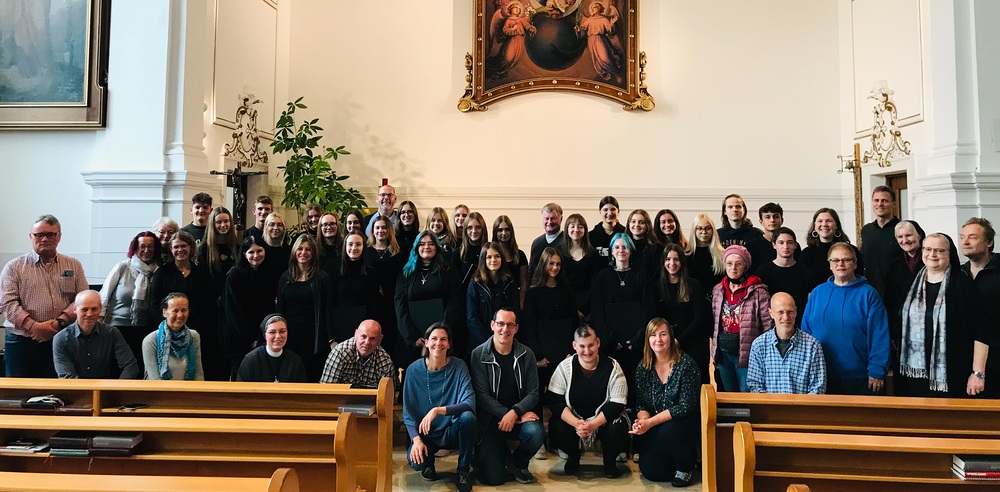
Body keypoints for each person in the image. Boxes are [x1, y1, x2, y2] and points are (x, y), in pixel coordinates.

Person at [896, 233, 990, 398]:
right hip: (915, 374)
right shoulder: (912, 283)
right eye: (928, 249)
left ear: (949, 254)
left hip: (954, 374)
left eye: (939, 250)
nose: (932, 254)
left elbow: (982, 332)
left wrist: (977, 373)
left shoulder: (963, 284)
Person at [2, 215, 88, 378]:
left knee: (60, 394)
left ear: (59, 237)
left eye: (51, 234)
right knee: (19, 395)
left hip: (62, 338)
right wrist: (34, 326)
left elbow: (82, 298)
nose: (45, 239)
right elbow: (7, 303)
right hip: (22, 342)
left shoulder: (73, 265)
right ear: (31, 237)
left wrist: (59, 323)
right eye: (39, 234)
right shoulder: (14, 267)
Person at [801, 242, 889, 395]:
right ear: (829, 265)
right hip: (822, 375)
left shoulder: (868, 294)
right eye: (835, 260)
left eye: (846, 260)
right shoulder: (817, 293)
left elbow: (879, 335)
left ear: (854, 264)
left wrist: (877, 369)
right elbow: (806, 332)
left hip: (860, 376)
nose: (840, 264)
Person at [469, 308, 543, 485]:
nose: (505, 329)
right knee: (494, 479)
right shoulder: (478, 355)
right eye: (501, 324)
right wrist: (508, 414)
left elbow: (533, 393)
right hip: (489, 421)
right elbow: (482, 396)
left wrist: (515, 412)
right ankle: (487, 457)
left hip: (518, 417)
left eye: (510, 325)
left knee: (535, 432)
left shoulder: (527, 354)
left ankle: (518, 463)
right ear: (492, 325)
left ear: (516, 329)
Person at [547, 325, 629, 478]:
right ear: (574, 346)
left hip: (602, 423)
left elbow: (617, 404)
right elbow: (556, 402)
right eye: (582, 346)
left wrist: (592, 425)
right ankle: (573, 457)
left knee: (618, 427)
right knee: (557, 426)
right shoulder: (564, 368)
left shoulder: (613, 366)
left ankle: (610, 462)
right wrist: (577, 423)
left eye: (591, 345)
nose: (587, 351)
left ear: (598, 342)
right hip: (574, 422)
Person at [403, 323, 476, 492]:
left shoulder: (459, 366)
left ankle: (463, 470)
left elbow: (469, 404)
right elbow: (408, 413)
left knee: (468, 418)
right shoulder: (413, 371)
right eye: (434, 339)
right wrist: (416, 440)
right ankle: (428, 463)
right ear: (426, 342)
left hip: (451, 430)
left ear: (449, 344)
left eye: (443, 339)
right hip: (426, 433)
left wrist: (437, 410)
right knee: (416, 462)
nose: (438, 343)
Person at [630, 318, 701, 487]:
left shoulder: (686, 364)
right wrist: (643, 421)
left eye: (663, 334)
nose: (658, 339)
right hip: (656, 425)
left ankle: (687, 463)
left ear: (671, 337)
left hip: (683, 423)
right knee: (652, 472)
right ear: (648, 340)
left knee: (667, 433)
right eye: (653, 335)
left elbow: (685, 406)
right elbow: (640, 404)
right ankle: (673, 460)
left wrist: (651, 422)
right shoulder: (643, 367)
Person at [590, 233, 654, 403]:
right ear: (611, 251)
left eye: (625, 246)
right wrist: (611, 340)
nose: (621, 250)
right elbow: (597, 313)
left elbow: (648, 311)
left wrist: (634, 340)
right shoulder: (602, 277)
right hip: (610, 346)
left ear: (631, 251)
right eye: (617, 247)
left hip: (635, 347)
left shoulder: (641, 277)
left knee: (636, 388)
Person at [521, 247, 576, 442]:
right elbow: (529, 326)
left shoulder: (567, 291)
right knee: (536, 395)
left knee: (562, 397)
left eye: (558, 264)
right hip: (541, 357)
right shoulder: (533, 293)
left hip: (564, 356)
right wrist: (537, 355)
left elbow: (573, 323)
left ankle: (560, 439)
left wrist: (571, 352)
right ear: (543, 265)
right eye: (551, 263)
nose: (554, 267)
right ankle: (539, 440)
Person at [395, 231, 463, 369]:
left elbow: (455, 302)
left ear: (437, 247)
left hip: (441, 339)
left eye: (431, 244)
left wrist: (441, 334)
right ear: (416, 247)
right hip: (414, 339)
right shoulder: (406, 273)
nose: (427, 247)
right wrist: (412, 337)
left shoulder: (448, 270)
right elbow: (400, 305)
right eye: (422, 244)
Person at [711, 245, 772, 393]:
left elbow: (768, 325)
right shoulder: (718, 290)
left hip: (747, 354)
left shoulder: (758, 291)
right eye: (729, 263)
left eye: (738, 263)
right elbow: (715, 323)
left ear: (745, 265)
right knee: (729, 396)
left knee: (746, 396)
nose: (733, 267)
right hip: (724, 353)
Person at [276, 234, 334, 382]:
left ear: (313, 253)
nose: (303, 253)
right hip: (290, 334)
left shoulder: (322, 278)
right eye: (300, 249)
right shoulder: (285, 277)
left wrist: (330, 338)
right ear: (294, 251)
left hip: (313, 335)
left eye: (308, 249)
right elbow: (280, 309)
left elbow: (327, 310)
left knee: (311, 374)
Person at [98, 231, 160, 362]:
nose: (146, 250)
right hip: (117, 328)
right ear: (135, 248)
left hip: (146, 329)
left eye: (150, 246)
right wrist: (99, 321)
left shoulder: (159, 271)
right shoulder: (123, 267)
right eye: (142, 246)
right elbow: (104, 295)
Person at [746, 293, 826, 394]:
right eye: (780, 312)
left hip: (802, 409)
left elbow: (818, 388)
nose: (786, 317)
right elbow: (755, 385)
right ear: (771, 313)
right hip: (769, 409)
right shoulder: (759, 345)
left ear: (796, 312)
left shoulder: (812, 346)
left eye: (790, 312)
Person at [654, 243, 711, 384]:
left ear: (682, 262)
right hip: (668, 342)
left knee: (698, 382)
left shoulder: (694, 285)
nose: (672, 263)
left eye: (676, 259)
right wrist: (669, 340)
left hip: (694, 341)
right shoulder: (657, 287)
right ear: (663, 262)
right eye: (668, 259)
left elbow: (700, 318)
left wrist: (679, 340)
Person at [147, 232, 214, 349]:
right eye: (176, 247)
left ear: (191, 247)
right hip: (167, 332)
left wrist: (191, 328)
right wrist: (169, 327)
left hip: (197, 331)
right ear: (171, 250)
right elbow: (154, 303)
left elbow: (208, 304)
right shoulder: (162, 273)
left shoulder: (202, 274)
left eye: (183, 246)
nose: (180, 250)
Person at [220, 236, 275, 380]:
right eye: (251, 252)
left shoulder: (268, 273)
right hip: (239, 338)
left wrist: (263, 336)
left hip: (262, 337)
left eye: (259, 251)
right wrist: (251, 339)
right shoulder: (235, 274)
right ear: (244, 254)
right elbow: (234, 311)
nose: (256, 255)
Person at [53, 290, 140, 379]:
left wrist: (117, 390)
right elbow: (67, 377)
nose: (89, 314)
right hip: (76, 391)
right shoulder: (61, 339)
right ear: (74, 309)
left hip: (107, 390)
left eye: (94, 309)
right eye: (84, 309)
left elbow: (130, 366)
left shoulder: (111, 333)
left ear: (100, 308)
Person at [196, 206, 240, 380]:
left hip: (233, 308)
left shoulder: (237, 247)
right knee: (214, 357)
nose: (223, 225)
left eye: (226, 221)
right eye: (219, 222)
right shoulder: (205, 249)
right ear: (213, 224)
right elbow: (203, 282)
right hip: (212, 309)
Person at [959, 217, 1000, 397]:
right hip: (966, 356)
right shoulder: (958, 273)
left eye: (972, 237)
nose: (965, 242)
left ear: (989, 242)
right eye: (962, 237)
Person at [884, 220, 926, 380]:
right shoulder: (894, 265)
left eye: (909, 235)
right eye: (900, 237)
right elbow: (889, 300)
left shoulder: (930, 259)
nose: (904, 240)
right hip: (902, 331)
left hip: (926, 329)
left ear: (920, 235)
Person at [754, 227, 819, 327]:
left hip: (799, 326)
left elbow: (812, 307)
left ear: (795, 245)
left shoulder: (807, 274)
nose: (786, 246)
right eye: (781, 242)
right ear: (774, 245)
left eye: (790, 242)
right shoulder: (762, 272)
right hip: (770, 326)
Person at [466, 242, 520, 353]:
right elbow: (472, 317)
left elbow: (515, 311)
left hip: (506, 339)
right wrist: (489, 341)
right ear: (483, 260)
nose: (493, 260)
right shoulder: (475, 283)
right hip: (481, 343)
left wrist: (503, 337)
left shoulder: (509, 282)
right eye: (489, 257)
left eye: (497, 256)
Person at [142, 292, 205, 380]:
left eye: (183, 310)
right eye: (175, 311)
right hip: (159, 392)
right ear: (165, 313)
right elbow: (155, 379)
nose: (180, 315)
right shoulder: (151, 340)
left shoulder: (194, 336)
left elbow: (198, 373)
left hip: (187, 391)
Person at [332, 233, 379, 343]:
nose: (354, 248)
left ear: (363, 247)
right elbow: (330, 306)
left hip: (364, 333)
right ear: (345, 247)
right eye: (350, 244)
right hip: (340, 330)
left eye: (358, 244)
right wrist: (332, 338)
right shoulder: (335, 272)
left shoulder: (371, 273)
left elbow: (374, 305)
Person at [319, 319, 395, 387]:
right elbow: (326, 389)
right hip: (339, 401)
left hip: (370, 402)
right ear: (356, 334)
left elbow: (388, 396)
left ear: (380, 340)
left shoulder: (385, 362)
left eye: (372, 338)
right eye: (363, 336)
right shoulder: (340, 353)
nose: (367, 342)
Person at [236, 314, 307, 383]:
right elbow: (241, 391)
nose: (278, 336)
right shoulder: (250, 361)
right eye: (272, 332)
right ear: (265, 335)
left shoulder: (295, 361)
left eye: (282, 331)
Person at [800, 208, 865, 281]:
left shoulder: (850, 251)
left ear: (836, 225)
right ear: (815, 226)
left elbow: (859, 276)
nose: (824, 224)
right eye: (820, 221)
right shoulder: (806, 254)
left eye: (828, 221)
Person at [860, 186, 902, 298]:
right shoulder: (867, 230)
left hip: (897, 291)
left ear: (894, 203)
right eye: (876, 200)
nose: (880, 204)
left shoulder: (903, 230)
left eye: (884, 200)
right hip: (870, 291)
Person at [559, 213, 602, 317]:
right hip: (564, 302)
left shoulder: (593, 254)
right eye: (572, 226)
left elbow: (595, 284)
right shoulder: (559, 252)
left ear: (585, 230)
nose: (576, 229)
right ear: (567, 229)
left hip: (588, 305)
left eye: (580, 226)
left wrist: (583, 310)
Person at [745, 202, 798, 273]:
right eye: (767, 217)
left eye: (776, 216)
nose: (772, 220)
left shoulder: (791, 245)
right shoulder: (752, 246)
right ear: (761, 222)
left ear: (782, 220)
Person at [492, 215, 528, 305]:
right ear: (495, 232)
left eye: (507, 230)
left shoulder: (520, 255)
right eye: (500, 230)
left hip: (514, 301)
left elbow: (524, 284)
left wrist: (521, 304)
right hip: (495, 301)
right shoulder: (490, 255)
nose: (504, 233)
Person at [685, 213, 725, 294]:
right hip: (694, 300)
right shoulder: (686, 255)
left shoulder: (722, 254)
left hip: (717, 299)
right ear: (694, 230)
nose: (704, 232)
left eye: (708, 228)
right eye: (699, 228)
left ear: (713, 230)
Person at [528, 203, 564, 277]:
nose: (549, 222)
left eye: (553, 218)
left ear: (561, 219)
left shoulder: (568, 241)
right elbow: (531, 271)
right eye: (547, 218)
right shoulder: (536, 243)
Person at [625, 209, 662, 274]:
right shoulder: (623, 246)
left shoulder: (657, 247)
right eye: (633, 221)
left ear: (647, 225)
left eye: (641, 222)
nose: (636, 225)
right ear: (628, 224)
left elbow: (657, 274)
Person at [261, 212, 292, 286]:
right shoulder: (260, 250)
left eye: (280, 225)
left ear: (284, 228)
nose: (275, 228)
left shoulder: (289, 251)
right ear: (266, 227)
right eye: (271, 224)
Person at [317, 212, 343, 278]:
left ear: (337, 226)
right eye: (325, 224)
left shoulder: (345, 247)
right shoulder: (314, 248)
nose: (329, 227)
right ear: (320, 227)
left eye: (332, 224)